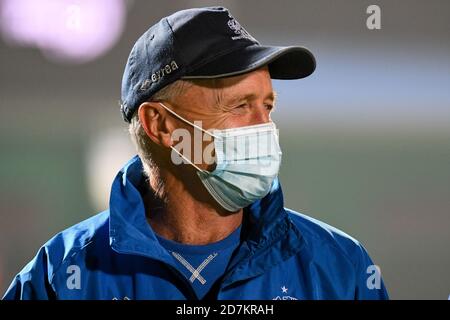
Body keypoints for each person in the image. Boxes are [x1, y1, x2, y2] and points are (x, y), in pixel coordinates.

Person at [3, 6, 388, 300]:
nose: (263, 126)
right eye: (239, 106)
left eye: (267, 106)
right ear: (161, 125)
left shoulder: (339, 267)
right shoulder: (62, 275)